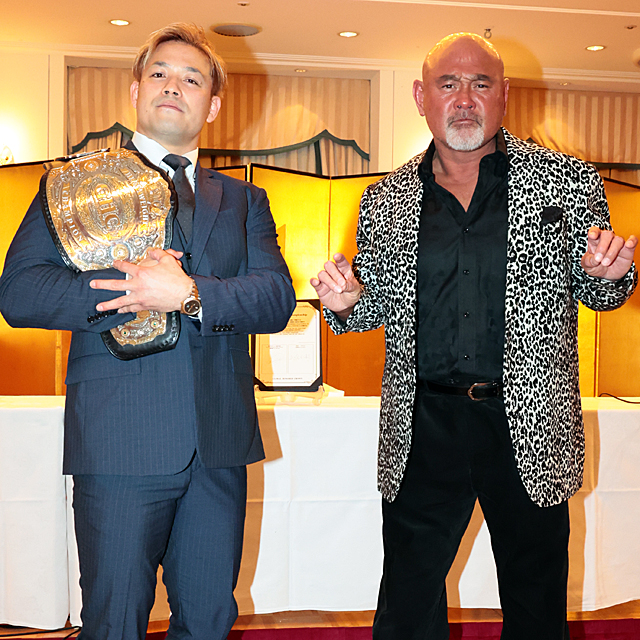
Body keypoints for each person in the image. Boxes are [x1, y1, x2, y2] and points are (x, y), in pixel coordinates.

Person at [311, 32, 637, 640]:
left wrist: (610, 276)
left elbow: (598, 288)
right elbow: (372, 304)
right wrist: (348, 304)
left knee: (536, 603)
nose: (464, 99)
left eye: (480, 84)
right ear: (422, 97)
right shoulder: (384, 198)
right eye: (449, 84)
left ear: (504, 95)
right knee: (407, 604)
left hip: (530, 423)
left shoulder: (566, 182)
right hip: (421, 425)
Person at [0, 23, 295, 640]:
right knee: (114, 623)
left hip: (218, 449)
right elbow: (20, 292)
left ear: (212, 106)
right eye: (159, 73)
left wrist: (188, 294)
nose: (172, 86)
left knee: (209, 623)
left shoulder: (246, 200)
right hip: (118, 444)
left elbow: (274, 299)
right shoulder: (73, 185)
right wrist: (131, 289)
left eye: (192, 78)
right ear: (135, 90)